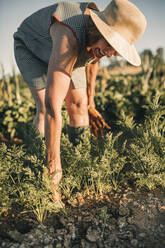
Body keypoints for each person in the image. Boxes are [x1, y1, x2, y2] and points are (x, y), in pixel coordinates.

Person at [14, 0, 147, 200]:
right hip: (31, 47)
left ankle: (80, 162)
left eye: (115, 50)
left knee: (79, 105)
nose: (110, 53)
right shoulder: (70, 32)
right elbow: (53, 107)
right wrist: (54, 164)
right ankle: (40, 167)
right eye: (110, 44)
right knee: (43, 108)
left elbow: (94, 61)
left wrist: (90, 101)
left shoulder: (96, 41)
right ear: (99, 29)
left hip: (69, 50)